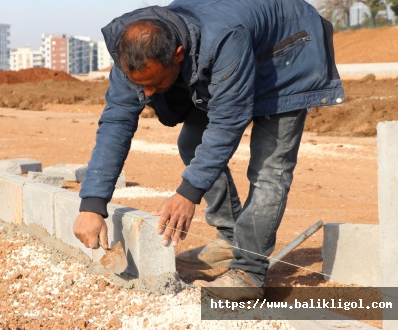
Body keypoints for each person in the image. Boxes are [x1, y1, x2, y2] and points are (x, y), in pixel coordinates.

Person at [73, 0, 345, 301]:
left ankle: (249, 271)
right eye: (141, 85)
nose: (147, 94)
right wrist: (92, 203)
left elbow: (228, 122)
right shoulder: (132, 53)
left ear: (178, 55)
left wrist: (189, 193)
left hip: (288, 50)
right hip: (233, 49)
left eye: (155, 83)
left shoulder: (224, 40)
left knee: (270, 166)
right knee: (191, 142)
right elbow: (116, 123)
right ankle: (230, 239)